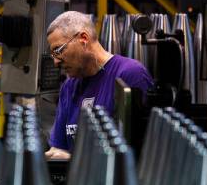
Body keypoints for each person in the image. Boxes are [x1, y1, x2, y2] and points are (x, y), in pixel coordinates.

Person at [44, 11, 153, 159]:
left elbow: (137, 155)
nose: (56, 62)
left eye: (58, 50)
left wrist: (73, 161)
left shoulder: (129, 76)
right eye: (53, 55)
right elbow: (58, 149)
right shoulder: (69, 87)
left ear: (83, 39)